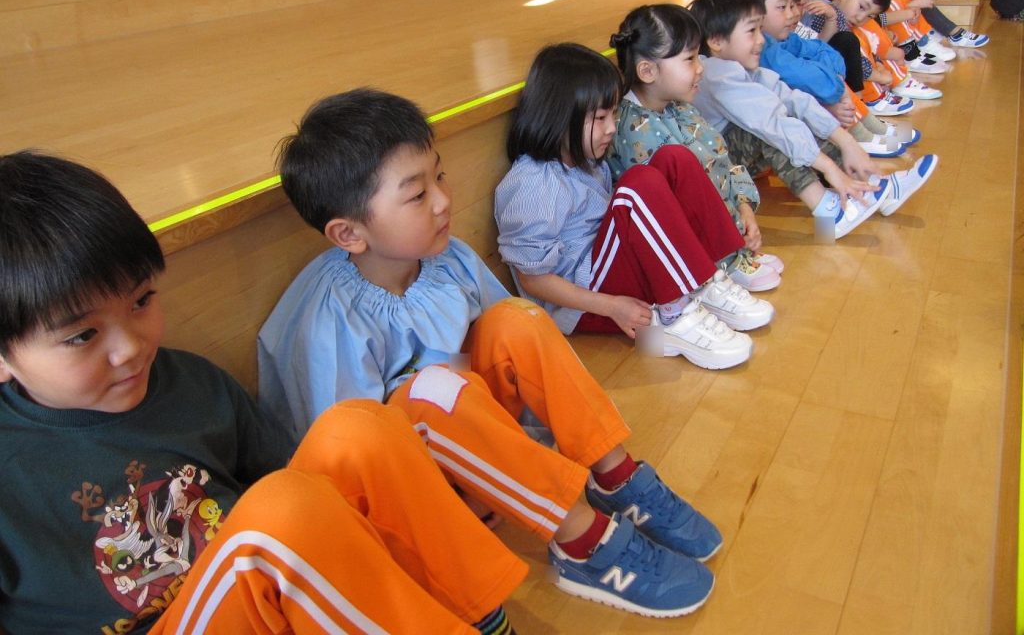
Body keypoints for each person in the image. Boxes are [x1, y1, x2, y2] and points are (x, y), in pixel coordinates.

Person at [0, 151, 528, 634]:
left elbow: (296, 484)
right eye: (82, 336)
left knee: (359, 426)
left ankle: (478, 613)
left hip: (269, 601)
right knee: (276, 518)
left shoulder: (191, 383)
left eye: (141, 301)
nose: (131, 348)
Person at [258, 88, 720, 618]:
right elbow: (359, 462)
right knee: (429, 391)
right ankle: (582, 543)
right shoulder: (328, 320)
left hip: (472, 449)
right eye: (417, 195)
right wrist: (459, 499)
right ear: (349, 233)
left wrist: (502, 462)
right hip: (407, 495)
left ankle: (617, 476)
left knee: (516, 319)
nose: (442, 200)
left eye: (440, 175)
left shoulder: (447, 258)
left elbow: (510, 362)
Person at [493, 43, 772, 370]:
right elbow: (533, 280)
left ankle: (711, 277)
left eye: (613, 114)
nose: (612, 127)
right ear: (558, 117)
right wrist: (612, 307)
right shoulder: (532, 182)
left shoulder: (587, 163)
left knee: (674, 158)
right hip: (589, 302)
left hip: (611, 271)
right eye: (600, 118)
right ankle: (675, 315)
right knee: (637, 184)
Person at [689, 0, 936, 239]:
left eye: (760, 29)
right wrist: (829, 168)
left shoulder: (745, 67)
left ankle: (874, 187)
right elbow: (772, 123)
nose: (761, 40)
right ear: (716, 41)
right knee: (776, 132)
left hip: (737, 160)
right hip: (717, 172)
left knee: (795, 113)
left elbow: (794, 99)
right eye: (752, 31)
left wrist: (847, 143)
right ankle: (828, 212)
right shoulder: (717, 75)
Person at [605, 4, 784, 294]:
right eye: (689, 59)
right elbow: (674, 215)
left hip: (725, 233)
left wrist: (743, 208)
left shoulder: (679, 108)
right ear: (648, 71)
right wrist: (727, 252)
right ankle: (720, 266)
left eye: (698, 56)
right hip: (696, 253)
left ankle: (733, 253)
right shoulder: (634, 133)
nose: (700, 67)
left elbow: (720, 159)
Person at [727, 0, 916, 157]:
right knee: (822, 83)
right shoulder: (764, 47)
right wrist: (835, 84)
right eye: (783, 7)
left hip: (799, 107)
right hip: (763, 131)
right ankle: (859, 133)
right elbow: (805, 75)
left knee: (829, 77)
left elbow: (821, 49)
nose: (793, 13)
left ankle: (866, 124)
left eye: (793, 5)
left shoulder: (783, 37)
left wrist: (834, 76)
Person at [831, 0, 944, 102]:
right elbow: (876, 22)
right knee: (876, 21)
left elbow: (874, 18)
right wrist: (908, 12)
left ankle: (920, 46)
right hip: (860, 75)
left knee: (897, 1)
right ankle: (901, 73)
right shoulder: (842, 4)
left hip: (875, 56)